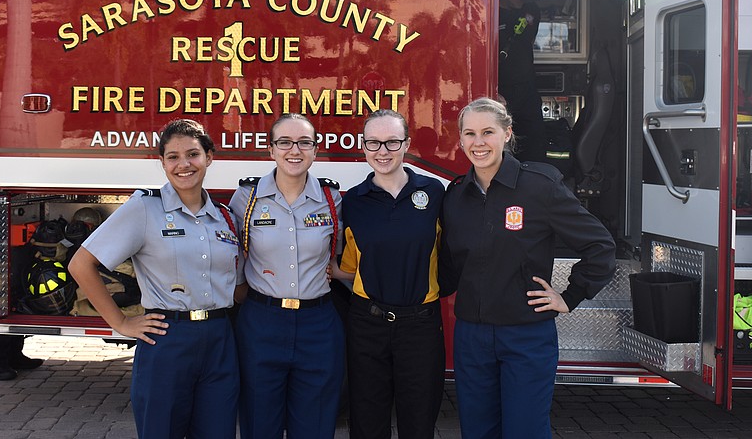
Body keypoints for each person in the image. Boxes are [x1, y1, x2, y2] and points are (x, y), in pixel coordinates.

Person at [439, 97, 616, 439]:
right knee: (477, 431)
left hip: (525, 336)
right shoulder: (456, 196)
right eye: (470, 134)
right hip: (472, 336)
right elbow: (447, 264)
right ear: (460, 140)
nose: (479, 143)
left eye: (488, 132)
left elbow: (600, 245)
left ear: (507, 134)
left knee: (525, 431)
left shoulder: (540, 187)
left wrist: (571, 295)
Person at [69, 119, 242, 439]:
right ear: (161, 162)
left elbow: (238, 282)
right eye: (173, 157)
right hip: (167, 338)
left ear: (209, 157)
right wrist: (121, 322)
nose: (183, 164)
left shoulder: (224, 216)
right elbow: (81, 264)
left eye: (193, 154)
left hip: (220, 338)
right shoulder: (144, 208)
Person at [229, 113, 344, 439]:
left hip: (318, 325)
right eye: (285, 142)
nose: (295, 150)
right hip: (261, 323)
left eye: (304, 142)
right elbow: (232, 251)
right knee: (258, 422)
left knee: (316, 424)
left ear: (315, 149)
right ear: (271, 149)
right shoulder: (247, 199)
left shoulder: (331, 199)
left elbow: (340, 253)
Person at [335, 109, 445, 439]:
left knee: (419, 422)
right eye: (374, 143)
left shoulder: (435, 192)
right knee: (367, 424)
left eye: (392, 142)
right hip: (367, 324)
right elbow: (350, 264)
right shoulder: (353, 201)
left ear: (407, 144)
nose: (382, 151)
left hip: (421, 325)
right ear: (363, 146)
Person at [498, 0, 547, 163]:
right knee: (501, 150)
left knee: (535, 149)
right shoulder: (487, 12)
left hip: (527, 90)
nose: (523, 0)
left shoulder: (532, 10)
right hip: (499, 92)